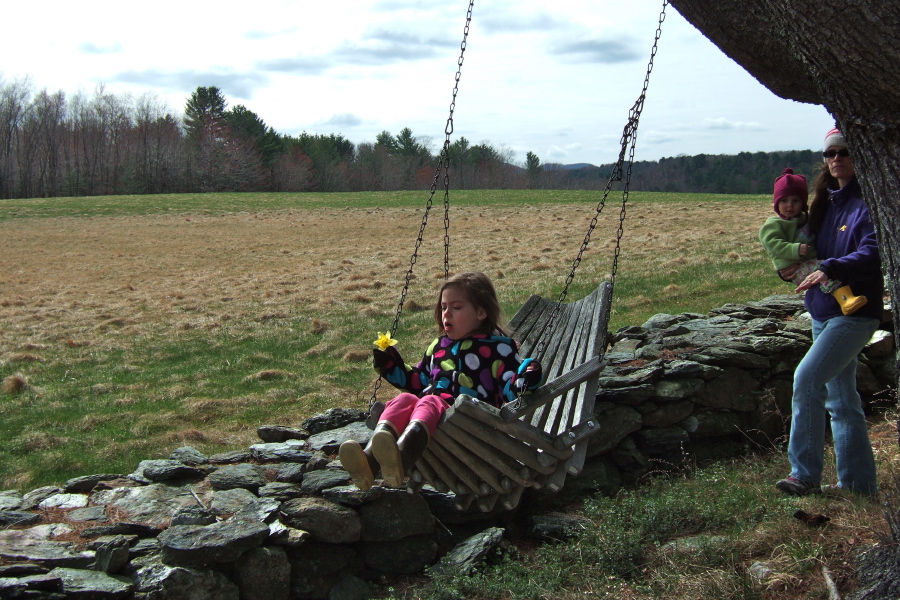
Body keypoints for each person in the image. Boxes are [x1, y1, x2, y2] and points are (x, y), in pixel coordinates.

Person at [339, 271, 543, 490]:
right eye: (444, 307)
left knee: (429, 401)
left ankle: (401, 458)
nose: (447, 314)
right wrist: (390, 365)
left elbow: (510, 390)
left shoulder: (498, 349)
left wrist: (526, 376)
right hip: (437, 421)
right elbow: (418, 381)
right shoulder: (438, 347)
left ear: (481, 312)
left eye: (456, 308)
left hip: (472, 425)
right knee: (405, 399)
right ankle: (369, 460)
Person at [775, 127, 884, 496]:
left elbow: (873, 251)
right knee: (842, 401)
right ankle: (858, 485)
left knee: (806, 380)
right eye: (830, 153)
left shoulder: (870, 201)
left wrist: (832, 267)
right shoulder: (824, 204)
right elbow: (805, 249)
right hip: (822, 312)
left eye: (845, 151)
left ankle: (803, 475)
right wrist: (787, 266)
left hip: (855, 314)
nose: (836, 159)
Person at [759, 167, 867, 315]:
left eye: (795, 201)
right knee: (826, 274)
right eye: (784, 200)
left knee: (824, 271)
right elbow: (772, 244)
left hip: (811, 262)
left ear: (803, 204)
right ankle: (846, 300)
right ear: (776, 204)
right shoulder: (774, 223)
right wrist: (795, 250)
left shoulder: (807, 219)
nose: (790, 205)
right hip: (794, 266)